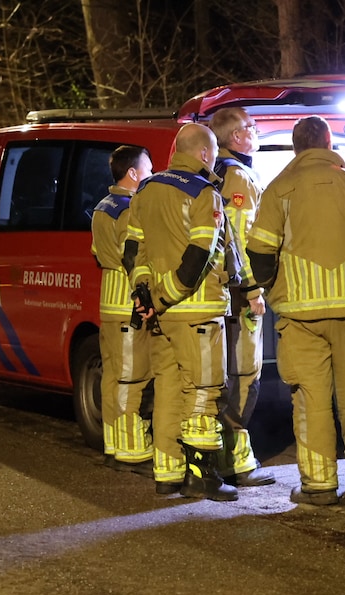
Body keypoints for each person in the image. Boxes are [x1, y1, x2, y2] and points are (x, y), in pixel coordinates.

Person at [246, 116, 345, 505]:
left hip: (300, 318)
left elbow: (259, 251)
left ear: (295, 148)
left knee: (312, 401)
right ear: (328, 142)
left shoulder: (278, 190)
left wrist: (273, 285)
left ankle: (319, 484)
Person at [124, 123, 256, 501]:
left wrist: (145, 293)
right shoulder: (204, 194)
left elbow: (134, 249)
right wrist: (166, 294)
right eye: (213, 152)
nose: (215, 159)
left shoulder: (147, 189)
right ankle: (204, 475)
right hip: (196, 312)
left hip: (161, 317)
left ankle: (168, 474)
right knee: (204, 390)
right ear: (203, 154)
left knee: (167, 391)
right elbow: (198, 254)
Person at [208, 107, 275, 487]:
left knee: (232, 373)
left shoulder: (223, 172)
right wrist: (251, 289)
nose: (257, 131)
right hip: (238, 295)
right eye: (251, 127)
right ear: (237, 137)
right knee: (244, 374)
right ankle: (234, 462)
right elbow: (239, 240)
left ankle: (229, 456)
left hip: (226, 293)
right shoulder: (236, 176)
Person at [91, 145, 156, 474]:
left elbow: (97, 255)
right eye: (149, 166)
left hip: (108, 305)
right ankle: (134, 452)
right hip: (129, 305)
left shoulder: (103, 207)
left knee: (113, 379)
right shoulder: (130, 209)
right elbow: (134, 257)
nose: (153, 172)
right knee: (134, 379)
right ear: (133, 173)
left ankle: (113, 446)